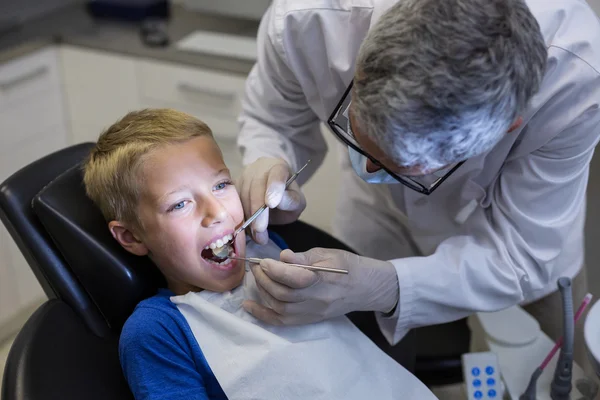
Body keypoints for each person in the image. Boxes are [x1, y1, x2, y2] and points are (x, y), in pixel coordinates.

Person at [236, 0, 600, 370]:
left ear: (510, 126)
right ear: (359, 67)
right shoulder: (308, 17)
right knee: (370, 356)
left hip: (519, 239)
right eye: (363, 142)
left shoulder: (575, 77)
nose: (369, 165)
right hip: (377, 212)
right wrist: (271, 159)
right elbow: (273, 117)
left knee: (576, 365)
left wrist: (385, 286)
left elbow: (521, 252)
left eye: (397, 166)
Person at [82, 108, 437, 400]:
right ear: (130, 236)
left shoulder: (269, 248)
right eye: (179, 204)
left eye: (221, 185)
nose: (216, 212)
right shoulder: (158, 330)